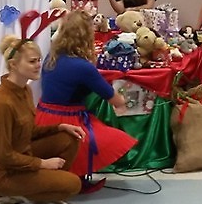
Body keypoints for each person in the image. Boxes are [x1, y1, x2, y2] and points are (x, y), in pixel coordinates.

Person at [0, 35, 84, 204]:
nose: (38, 65)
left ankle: (43, 198)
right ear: (13, 65)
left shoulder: (25, 90)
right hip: (3, 172)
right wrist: (42, 164)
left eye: (38, 60)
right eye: (32, 61)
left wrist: (60, 127)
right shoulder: (2, 103)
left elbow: (28, 132)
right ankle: (3, 197)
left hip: (22, 157)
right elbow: (4, 155)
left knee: (68, 138)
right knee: (72, 184)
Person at [35, 11, 137, 193]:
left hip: (43, 116)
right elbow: (113, 98)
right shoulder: (83, 67)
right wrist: (125, 100)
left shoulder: (52, 56)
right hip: (68, 120)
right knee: (115, 139)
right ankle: (73, 180)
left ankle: (73, 178)